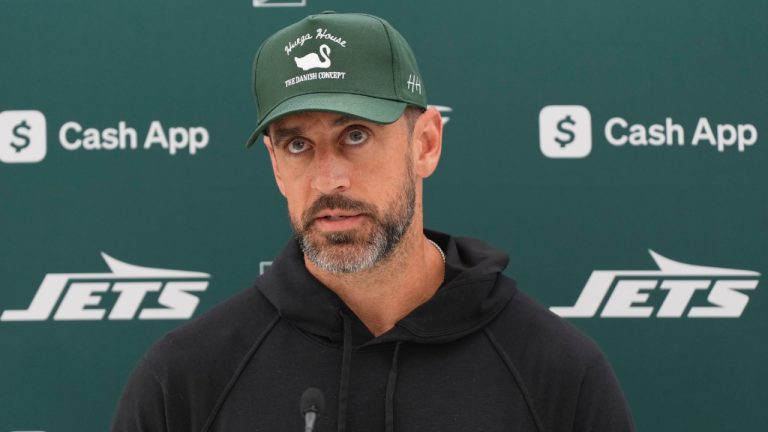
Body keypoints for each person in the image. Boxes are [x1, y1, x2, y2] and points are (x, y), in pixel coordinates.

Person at [111, 12, 635, 432]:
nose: (327, 179)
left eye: (356, 135)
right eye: (298, 145)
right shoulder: (184, 379)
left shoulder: (555, 371)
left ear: (426, 143)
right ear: (275, 165)